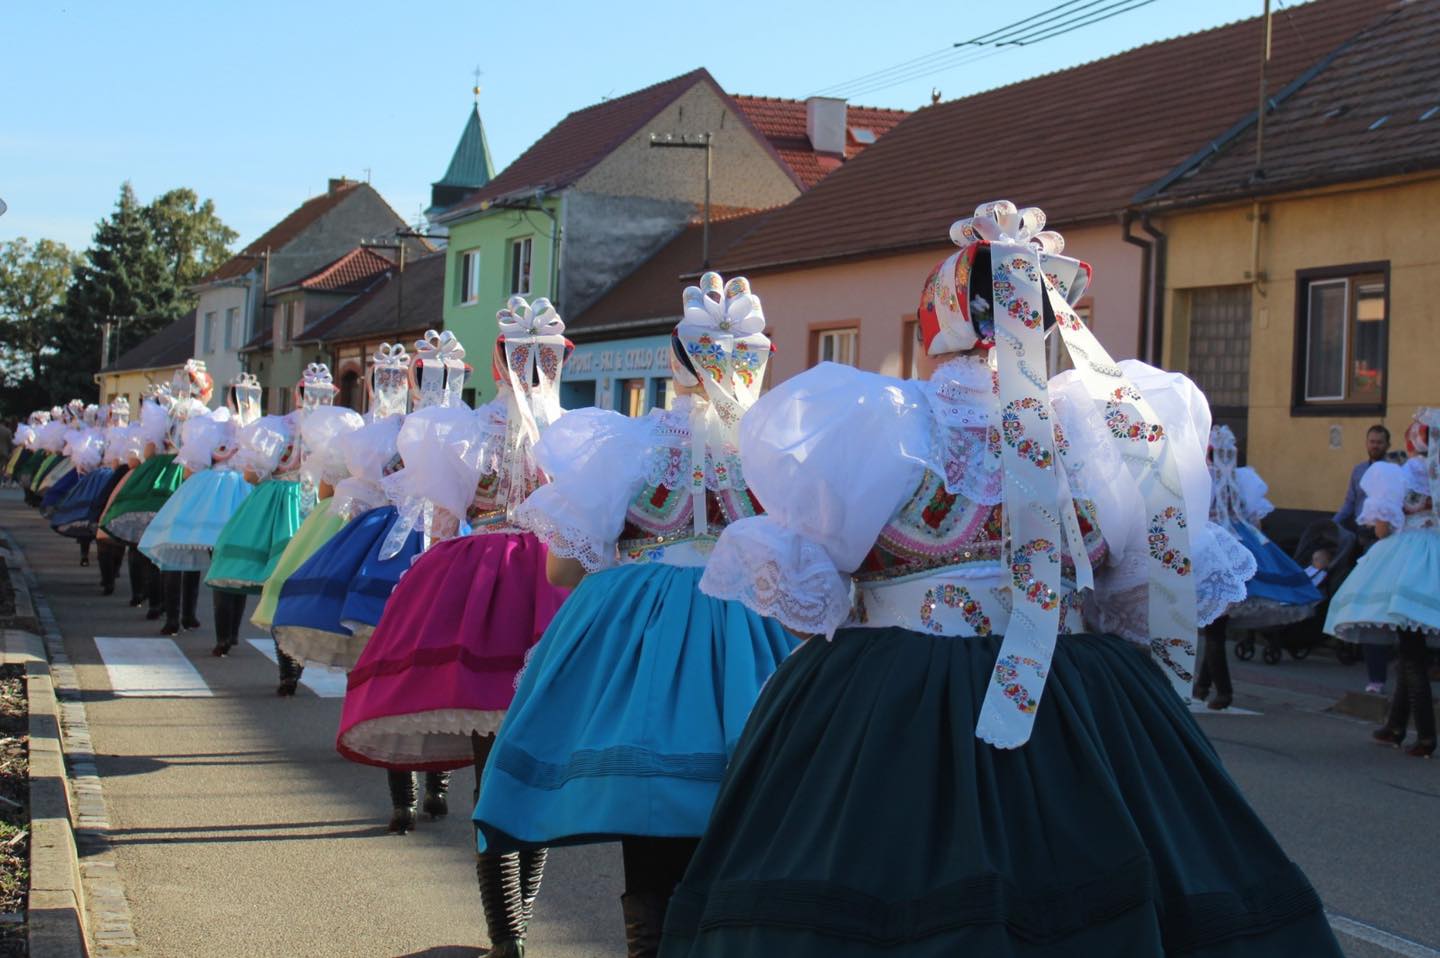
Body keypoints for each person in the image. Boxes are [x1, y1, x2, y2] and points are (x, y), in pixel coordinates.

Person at [659, 202, 1343, 958]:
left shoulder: (874, 427)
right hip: (1083, 701)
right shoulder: (1102, 430)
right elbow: (1136, 606)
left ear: (937, 321)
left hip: (889, 699)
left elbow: (811, 601)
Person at [473, 273, 798, 958]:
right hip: (749, 633)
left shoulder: (629, 444)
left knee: (648, 811)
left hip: (640, 633)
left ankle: (646, 946)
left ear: (673, 363)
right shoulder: (771, 455)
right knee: (744, 803)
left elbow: (564, 569)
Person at [338, 302, 573, 958]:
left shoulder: (465, 431)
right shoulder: (575, 434)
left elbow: (442, 527)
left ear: (498, 360)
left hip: (482, 588)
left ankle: (509, 934)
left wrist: (428, 591)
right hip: (551, 593)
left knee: (491, 769)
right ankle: (514, 925)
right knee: (535, 768)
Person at [207, 365, 336, 693]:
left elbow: (251, 475)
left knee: (263, 573)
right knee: (296, 581)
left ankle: (270, 661)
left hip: (277, 501)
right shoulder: (336, 430)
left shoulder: (278, 427)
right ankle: (292, 667)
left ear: (297, 395)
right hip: (317, 507)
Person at [1324, 410, 1440, 758]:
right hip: (1434, 558)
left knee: (1410, 651)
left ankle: (1425, 735)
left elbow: (1383, 528)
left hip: (1405, 560)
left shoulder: (1400, 473)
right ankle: (1395, 726)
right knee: (1412, 648)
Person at [1196, 425, 1322, 710]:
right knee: (1216, 623)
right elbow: (1257, 522)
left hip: (1212, 551)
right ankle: (1203, 686)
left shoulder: (1202, 479)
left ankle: (1223, 691)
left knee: (1214, 626)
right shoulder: (1242, 480)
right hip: (1241, 548)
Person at [139, 373, 263, 650]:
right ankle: (224, 633)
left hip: (213, 492)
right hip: (238, 494)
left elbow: (191, 467)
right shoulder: (250, 429)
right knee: (231, 563)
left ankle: (205, 627)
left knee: (219, 561)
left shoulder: (217, 425)